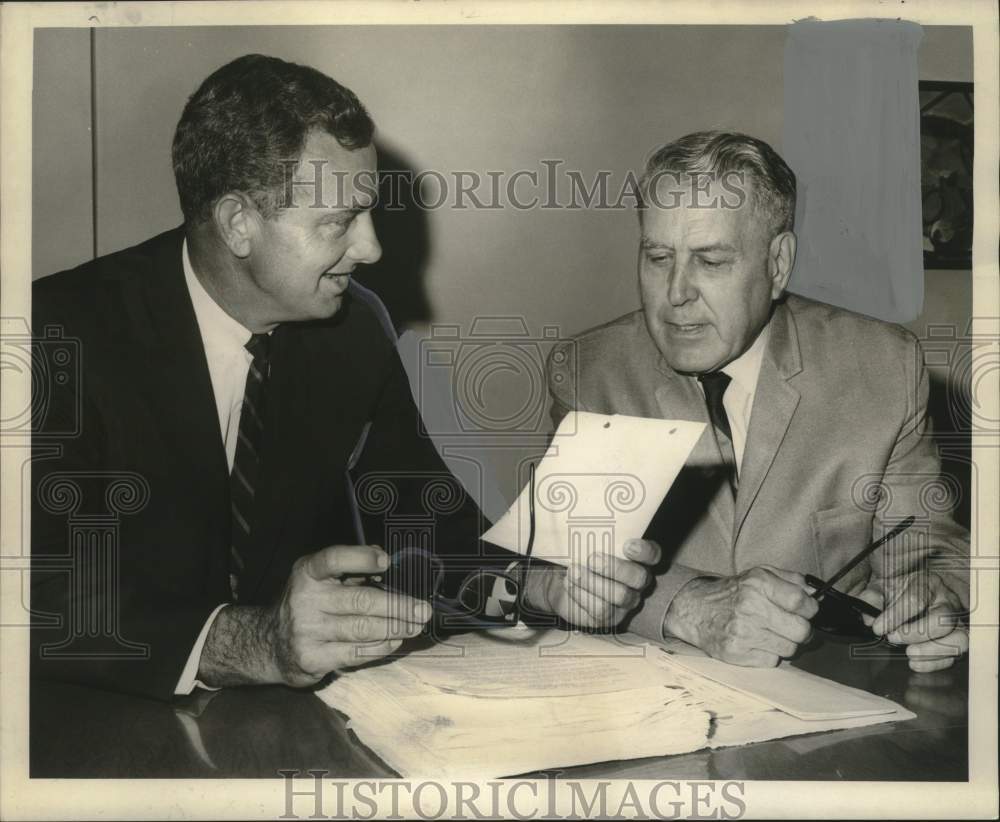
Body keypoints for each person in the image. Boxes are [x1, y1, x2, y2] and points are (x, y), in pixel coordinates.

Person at [30, 54, 657, 701]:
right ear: (238, 223)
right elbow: (32, 590)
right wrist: (247, 643)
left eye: (369, 213)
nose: (371, 249)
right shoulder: (54, 334)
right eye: (338, 222)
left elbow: (427, 528)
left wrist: (541, 589)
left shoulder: (352, 329)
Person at [546, 131, 970, 673]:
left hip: (833, 695)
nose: (675, 293)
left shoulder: (885, 366)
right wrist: (686, 605)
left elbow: (929, 543)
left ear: (778, 264)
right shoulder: (589, 370)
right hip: (649, 693)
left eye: (711, 261)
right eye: (657, 257)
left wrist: (935, 598)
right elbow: (557, 565)